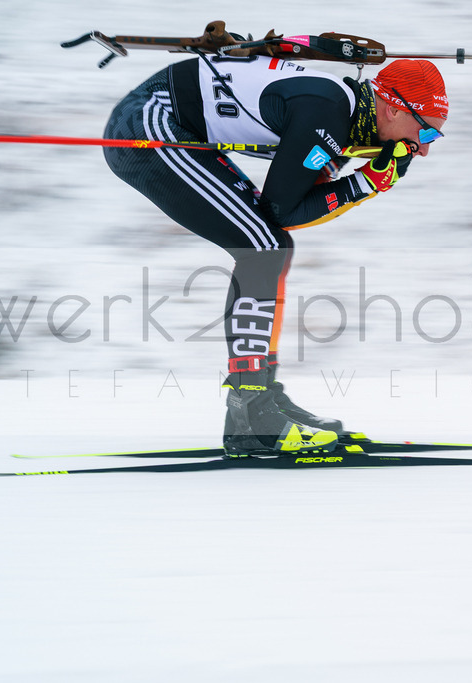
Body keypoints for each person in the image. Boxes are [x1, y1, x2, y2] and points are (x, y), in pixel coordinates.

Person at [102, 53, 447, 457]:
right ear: (392, 108)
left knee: (272, 246)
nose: (422, 150)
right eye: (426, 134)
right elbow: (281, 209)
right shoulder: (328, 116)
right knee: (262, 246)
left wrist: (364, 179)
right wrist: (366, 184)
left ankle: (261, 399)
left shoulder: (345, 121)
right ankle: (251, 412)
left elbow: (290, 209)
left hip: (176, 120)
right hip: (149, 123)